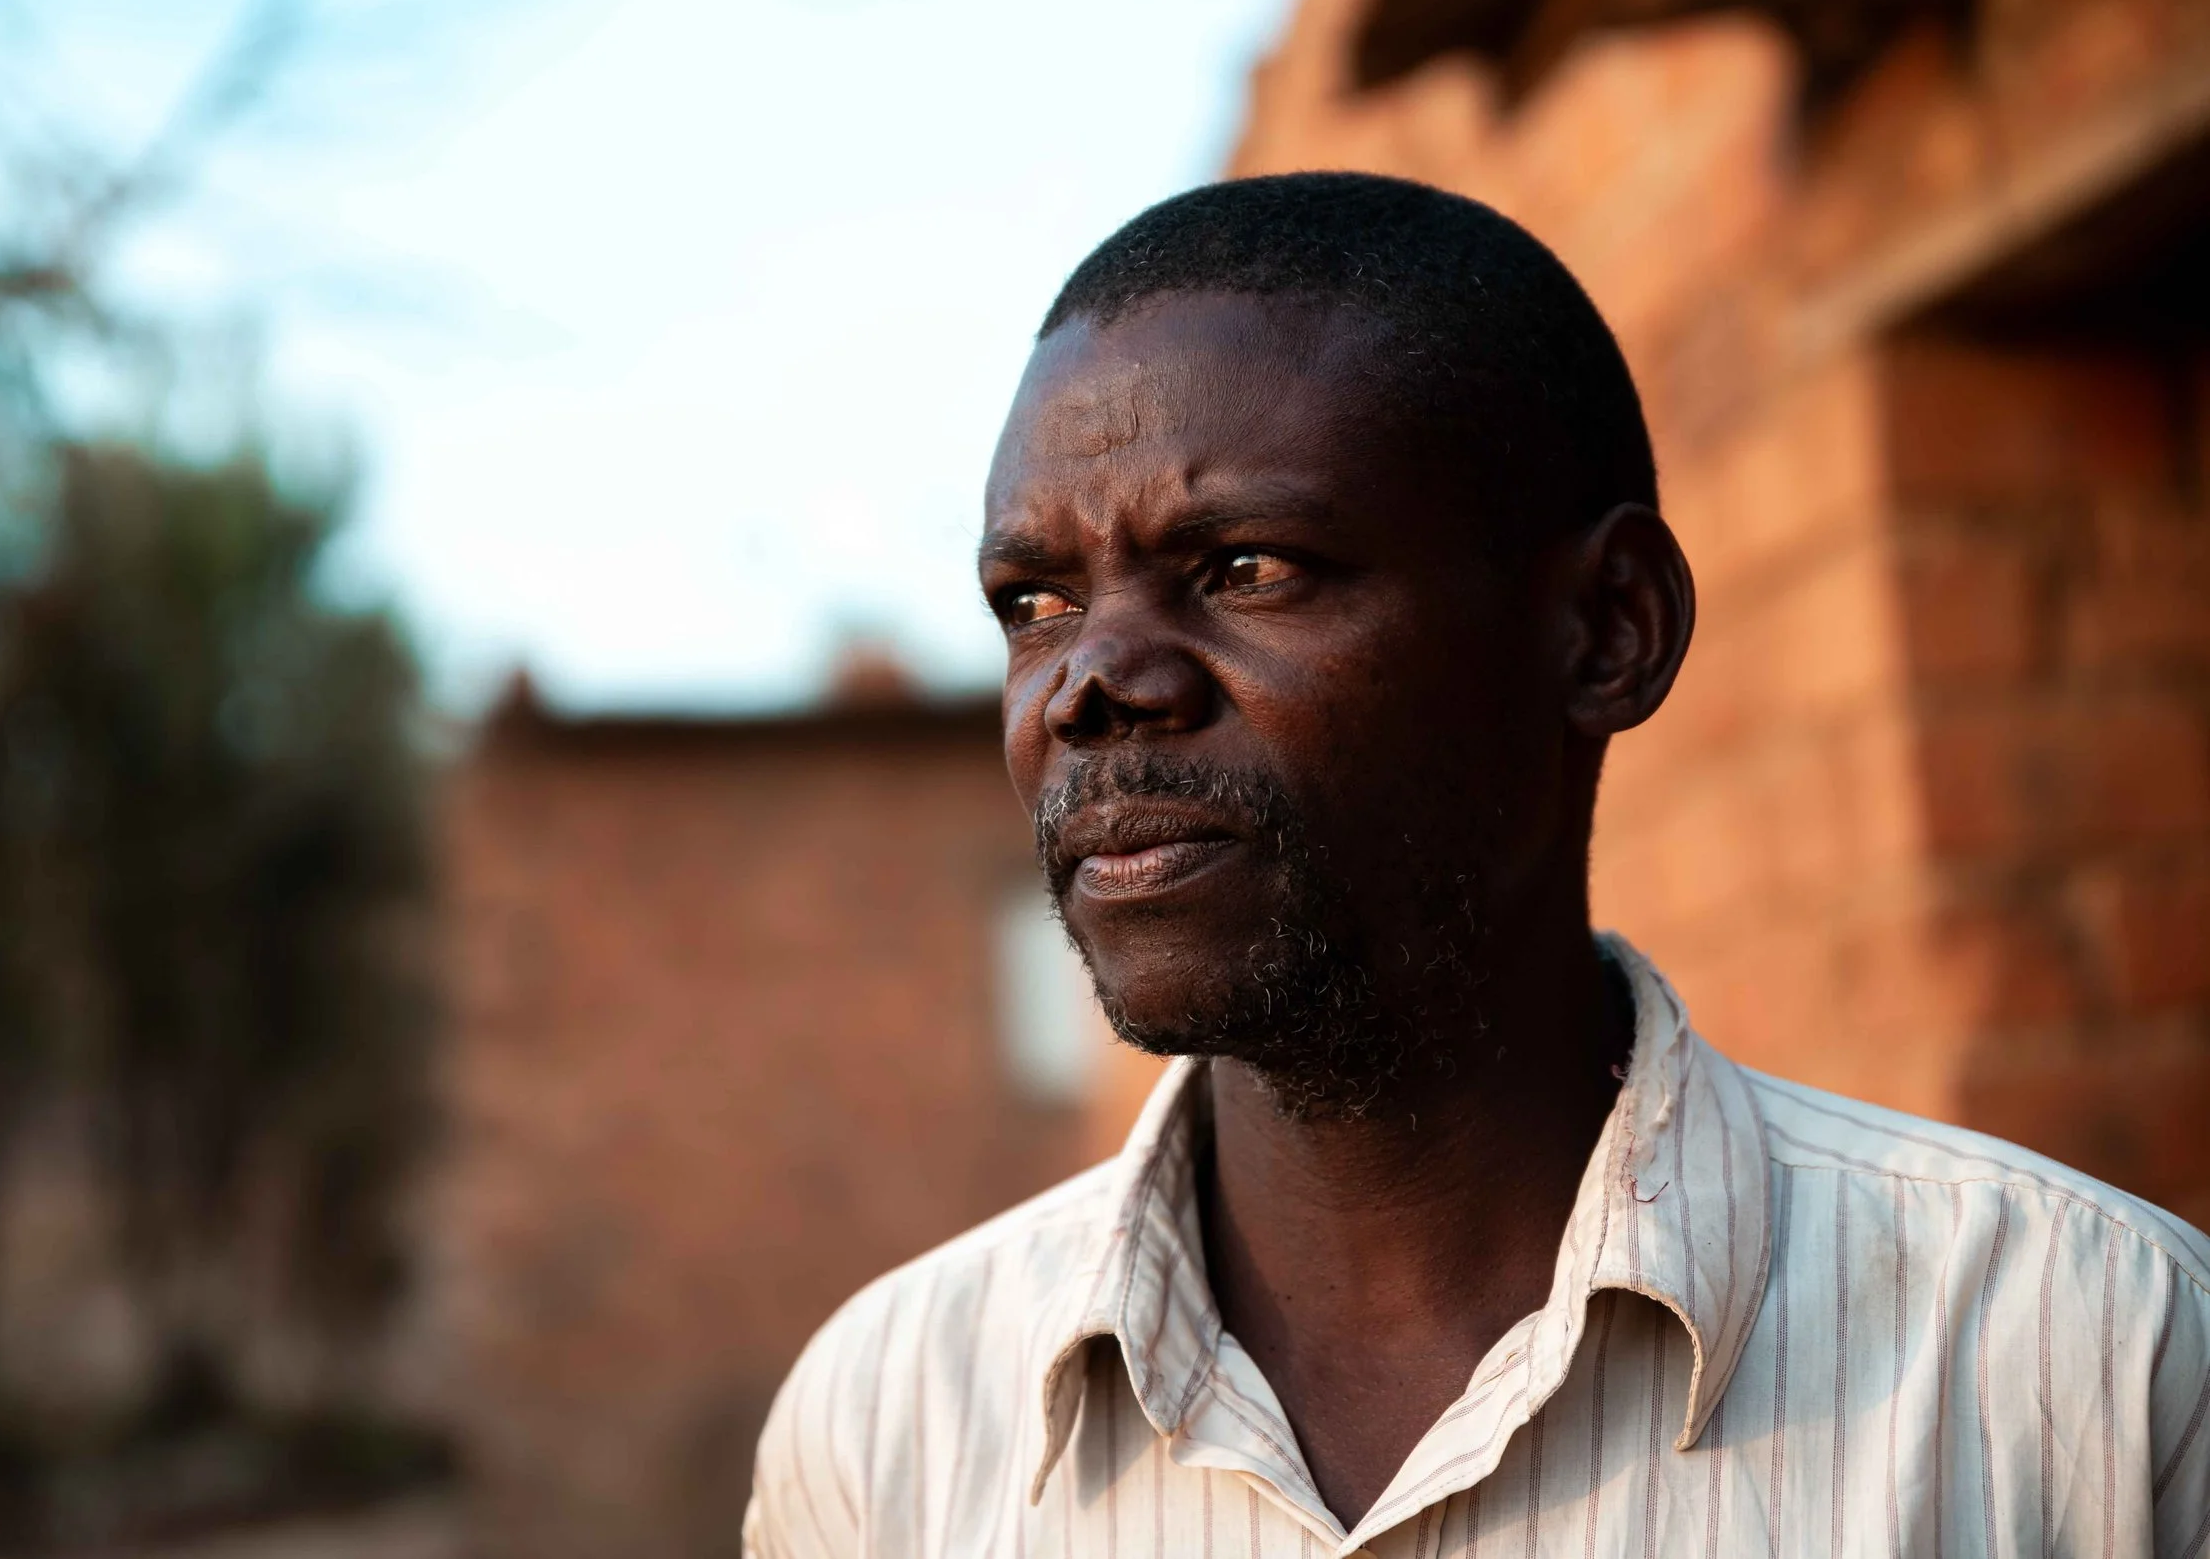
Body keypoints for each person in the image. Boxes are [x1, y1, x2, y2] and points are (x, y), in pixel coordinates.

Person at [741, 173, 2210, 1558]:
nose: (1090, 685)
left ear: (1606, 629)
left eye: (1247, 566)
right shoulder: (890, 1434)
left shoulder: (2081, 1357)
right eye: (1036, 599)